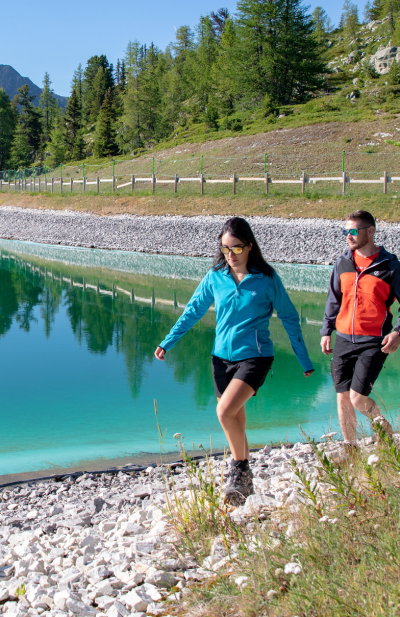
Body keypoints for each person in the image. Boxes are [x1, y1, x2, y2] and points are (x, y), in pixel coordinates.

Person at [154, 216, 314, 505]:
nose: (230, 255)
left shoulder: (266, 279)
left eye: (237, 248)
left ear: (250, 246)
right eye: (225, 248)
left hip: (255, 357)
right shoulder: (215, 276)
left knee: (225, 412)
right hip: (220, 360)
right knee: (235, 416)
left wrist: (304, 359)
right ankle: (244, 480)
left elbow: (289, 317)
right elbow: (192, 311)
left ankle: (238, 470)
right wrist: (168, 341)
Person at [321, 210, 400, 448]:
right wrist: (326, 330)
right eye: (345, 231)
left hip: (374, 341)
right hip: (344, 338)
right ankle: (350, 447)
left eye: (353, 231)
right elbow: (334, 299)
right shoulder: (343, 262)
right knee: (343, 396)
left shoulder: (391, 266)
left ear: (371, 231)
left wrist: (397, 331)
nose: (348, 236)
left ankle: (384, 429)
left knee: (357, 397)